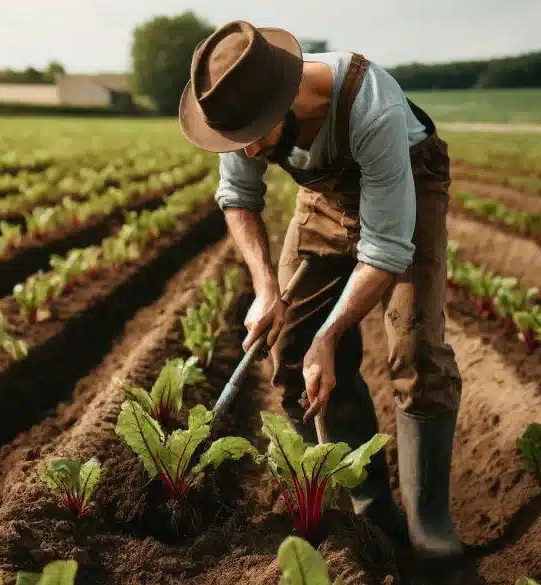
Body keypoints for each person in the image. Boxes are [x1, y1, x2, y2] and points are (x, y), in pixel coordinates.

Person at [177, 20, 464, 559]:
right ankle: (370, 508)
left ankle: (429, 521)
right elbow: (237, 195)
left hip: (408, 188)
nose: (251, 151)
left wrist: (330, 336)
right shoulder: (241, 111)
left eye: (256, 138)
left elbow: (385, 250)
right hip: (325, 200)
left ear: (284, 100)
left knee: (416, 349)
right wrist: (266, 288)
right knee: (288, 350)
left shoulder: (370, 108)